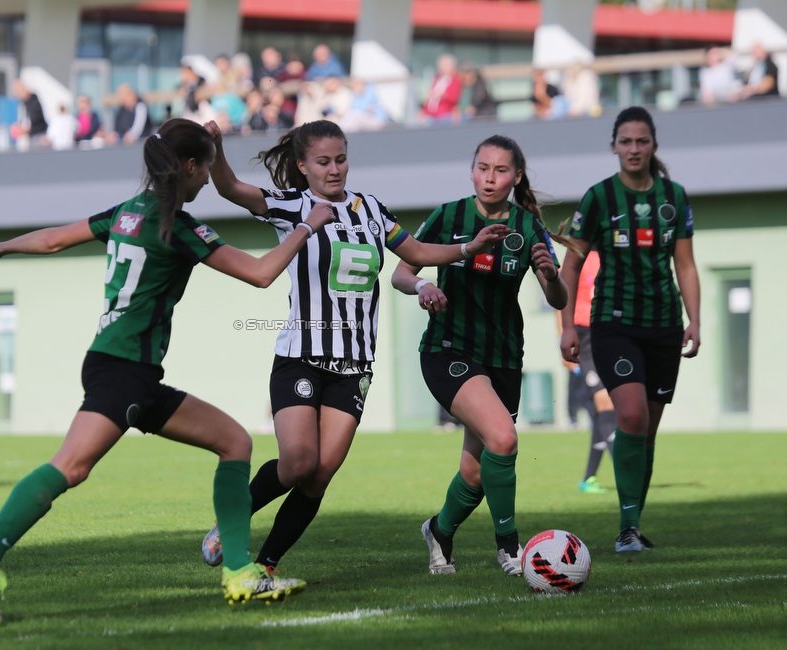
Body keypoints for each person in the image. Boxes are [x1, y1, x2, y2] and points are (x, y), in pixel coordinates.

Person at [0, 119, 334, 626]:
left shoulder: (128, 213)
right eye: (203, 168)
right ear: (190, 167)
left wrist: (0, 247)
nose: (204, 180)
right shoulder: (182, 227)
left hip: (127, 369)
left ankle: (240, 572)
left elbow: (54, 241)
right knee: (71, 466)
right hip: (124, 370)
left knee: (235, 442)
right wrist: (308, 225)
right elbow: (261, 274)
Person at [198, 119, 507, 573]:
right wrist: (217, 148)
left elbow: (417, 253)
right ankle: (231, 519)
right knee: (298, 461)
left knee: (320, 474)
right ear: (302, 166)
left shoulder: (372, 209)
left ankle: (266, 566)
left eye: (341, 159)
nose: (335, 169)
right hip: (301, 356)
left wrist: (468, 248)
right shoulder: (292, 205)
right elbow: (229, 189)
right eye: (323, 162)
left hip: (355, 365)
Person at [390, 135, 571, 577]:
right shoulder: (449, 216)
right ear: (472, 171)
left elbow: (559, 298)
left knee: (476, 471)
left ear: (516, 176)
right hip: (447, 349)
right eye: (483, 168)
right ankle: (510, 548)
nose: (491, 178)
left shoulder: (528, 226)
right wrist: (423, 286)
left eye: (501, 170)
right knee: (505, 440)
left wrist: (550, 276)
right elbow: (401, 272)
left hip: (504, 357)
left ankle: (439, 531)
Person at [559, 106, 701, 553]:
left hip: (663, 326)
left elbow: (686, 264)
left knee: (648, 429)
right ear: (614, 146)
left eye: (641, 141)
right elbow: (572, 263)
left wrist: (694, 319)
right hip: (613, 325)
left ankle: (634, 524)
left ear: (653, 146)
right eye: (626, 141)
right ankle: (626, 530)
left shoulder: (673, 196)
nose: (634, 149)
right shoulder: (599, 197)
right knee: (632, 416)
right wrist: (567, 325)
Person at [557, 250, 616, 494]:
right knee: (605, 402)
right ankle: (626, 472)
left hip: (608, 334)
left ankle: (588, 478)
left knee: (604, 411)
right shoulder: (578, 257)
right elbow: (559, 300)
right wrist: (563, 337)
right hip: (583, 336)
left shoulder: (612, 255)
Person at [419, 55, 462, 123]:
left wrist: (443, 95)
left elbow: (454, 98)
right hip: (431, 115)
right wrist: (423, 110)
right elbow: (429, 97)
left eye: (445, 65)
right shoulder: (437, 78)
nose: (442, 67)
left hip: (444, 116)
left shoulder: (455, 80)